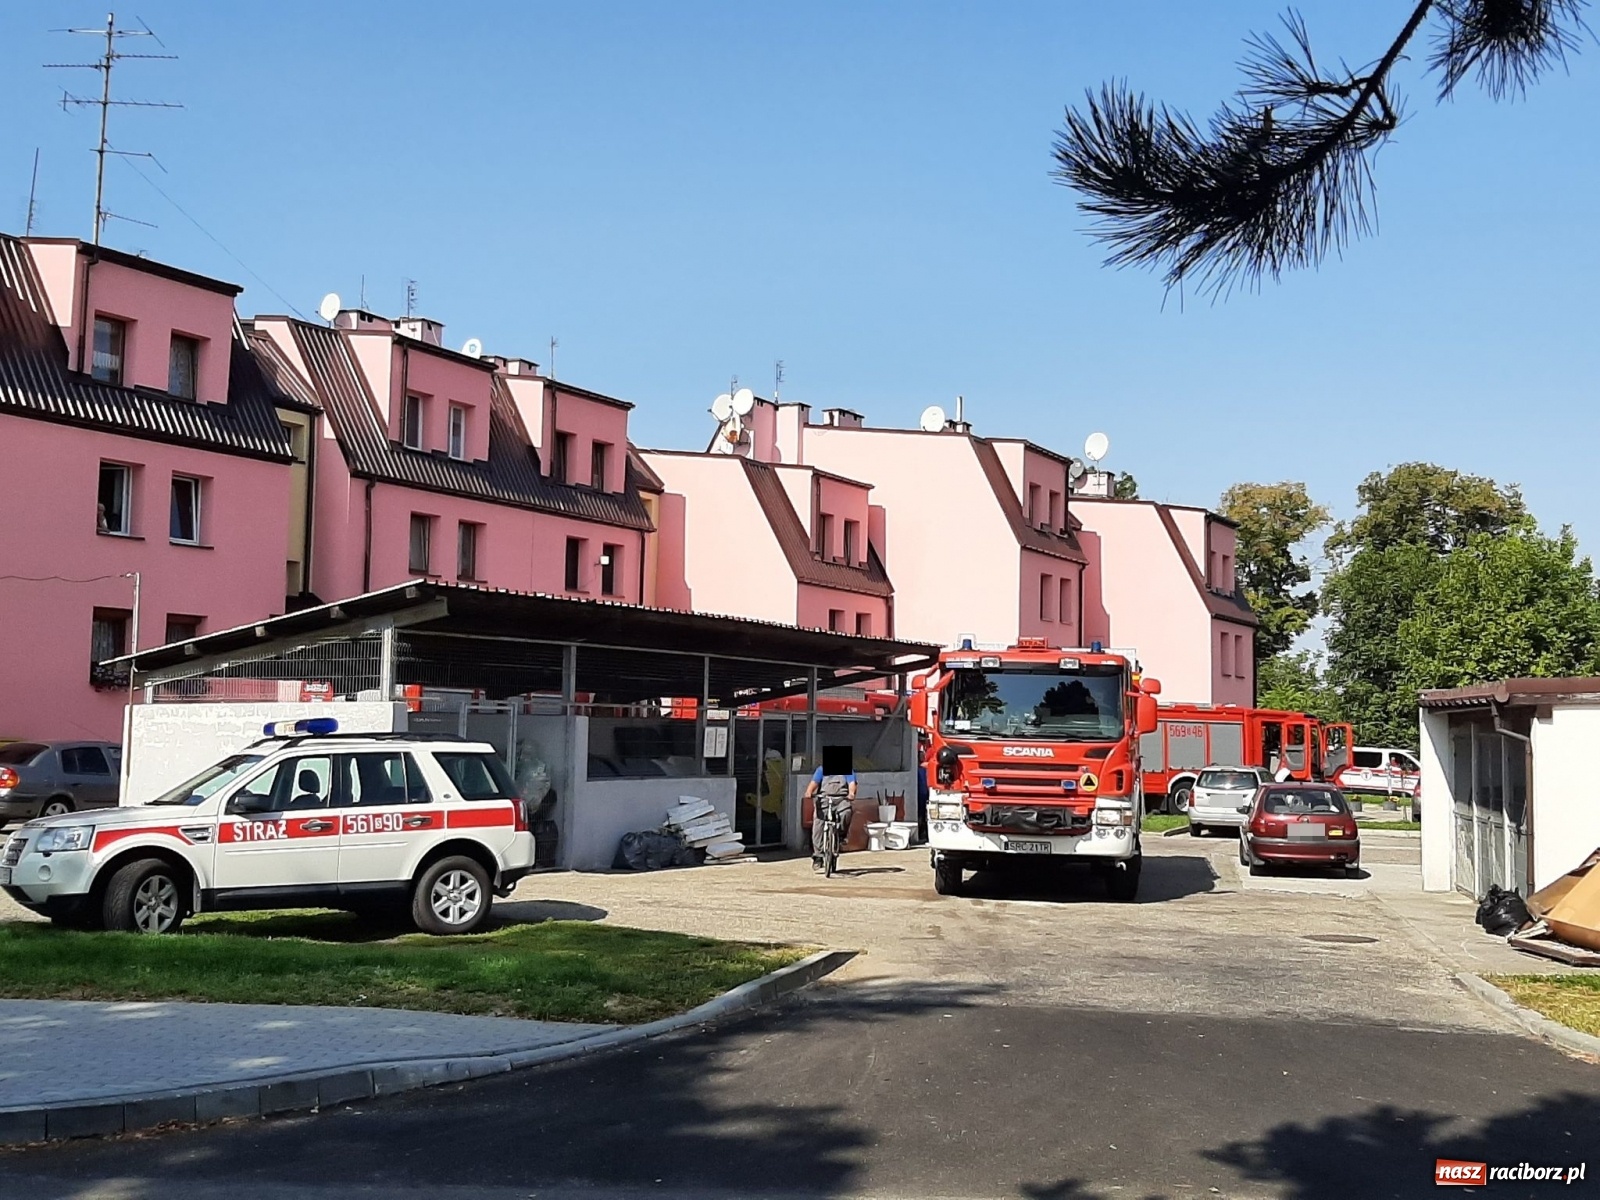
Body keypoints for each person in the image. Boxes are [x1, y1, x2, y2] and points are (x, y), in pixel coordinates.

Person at [806, 761, 857, 870]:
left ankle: (841, 835)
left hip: (841, 799)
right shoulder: (821, 770)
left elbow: (852, 783)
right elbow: (814, 782)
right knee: (818, 825)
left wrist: (851, 793)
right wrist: (809, 792)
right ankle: (818, 856)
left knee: (846, 811)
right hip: (824, 799)